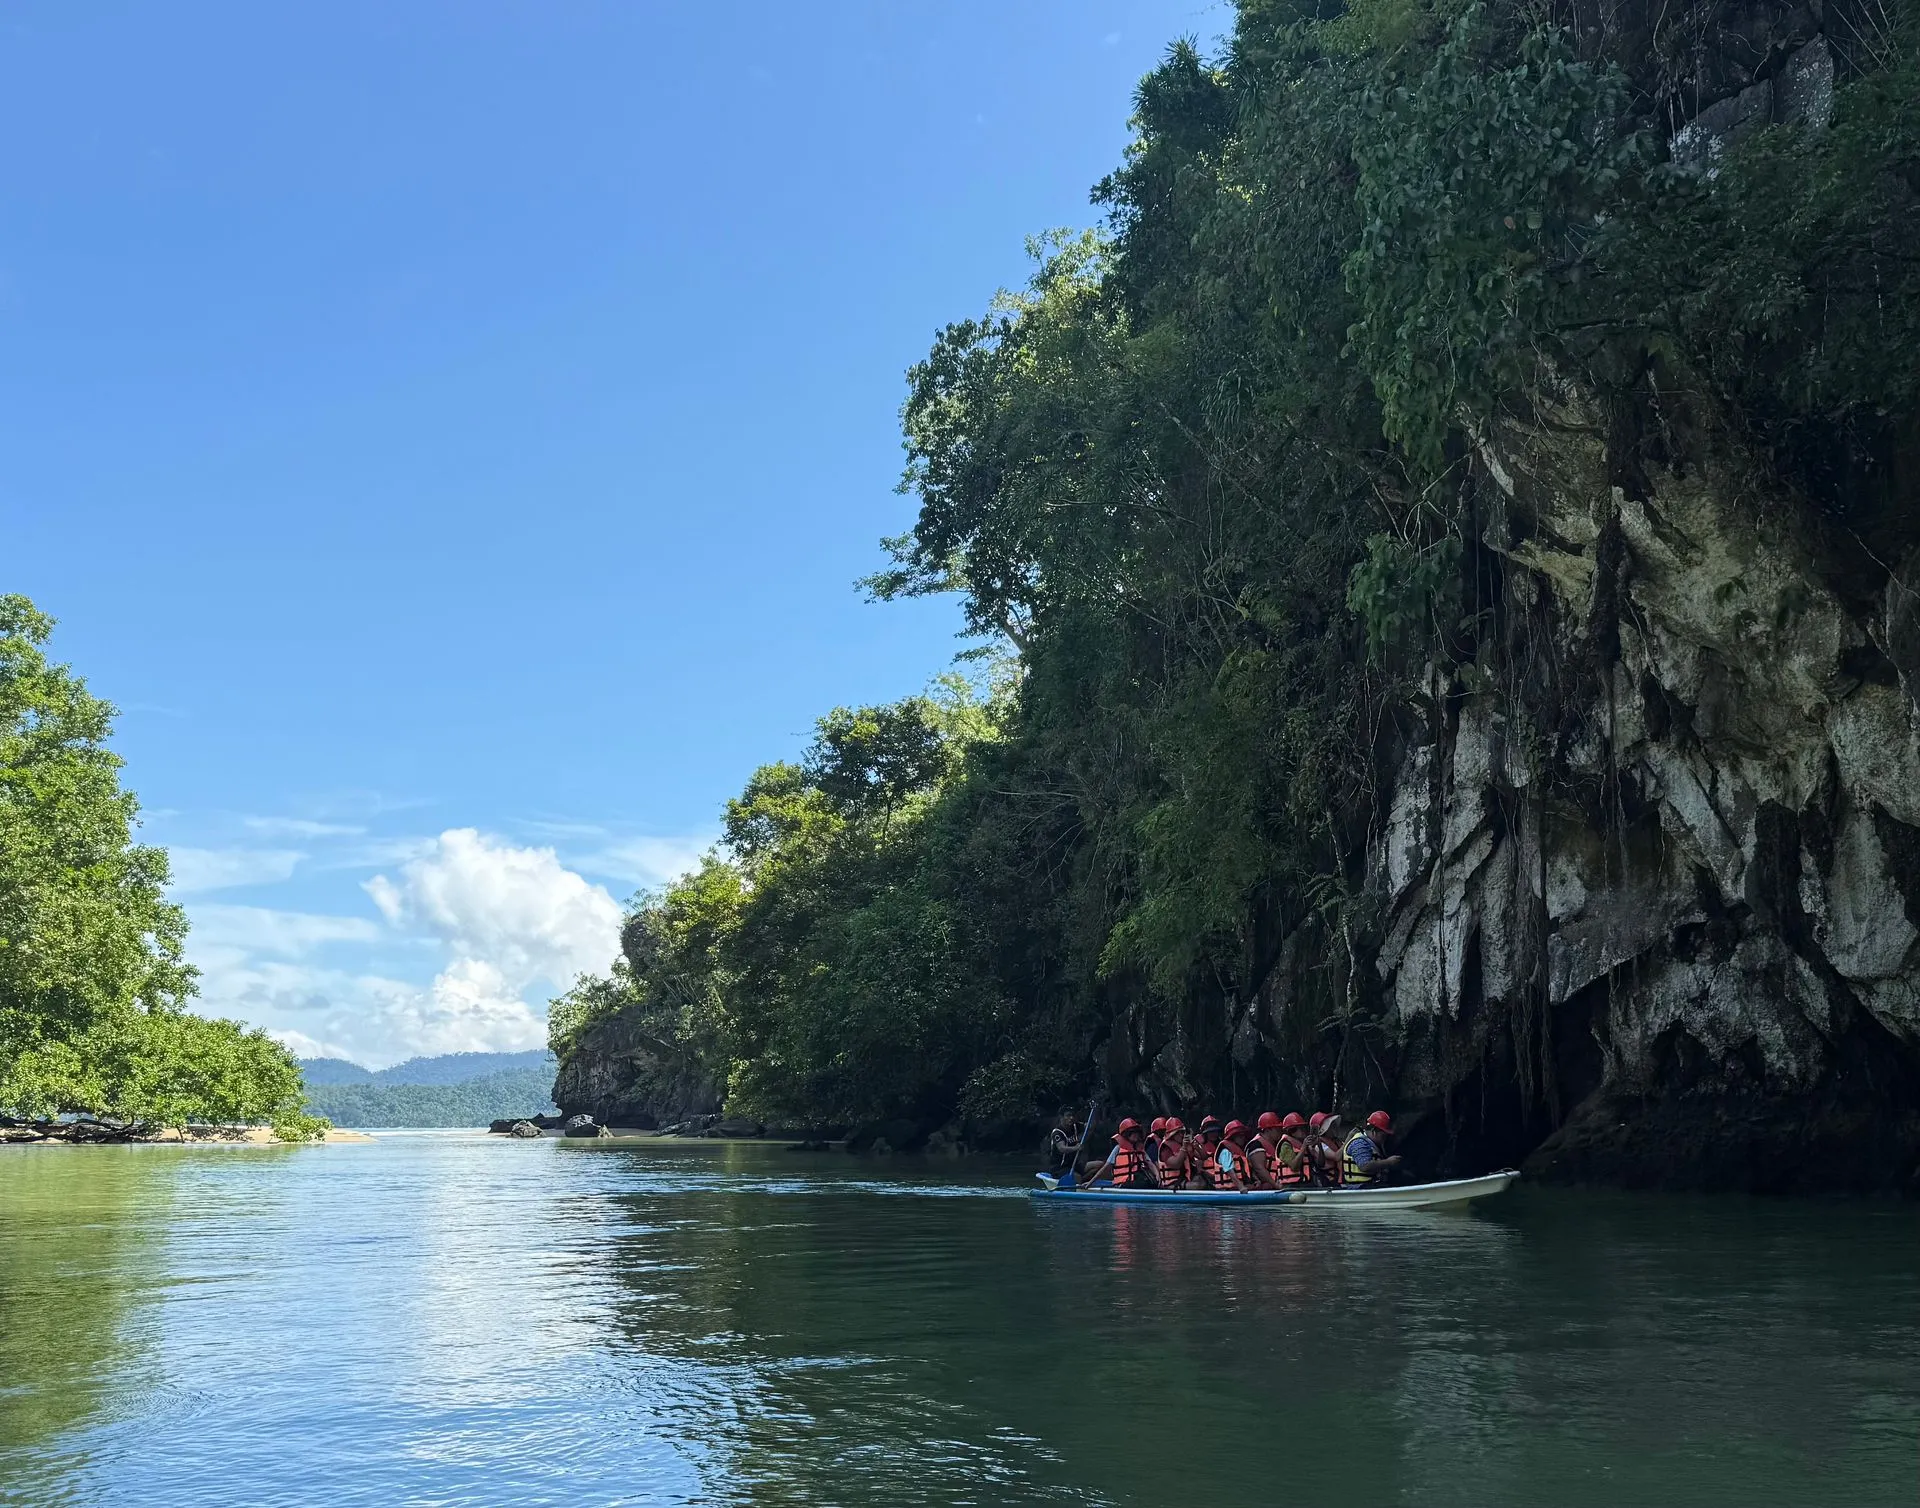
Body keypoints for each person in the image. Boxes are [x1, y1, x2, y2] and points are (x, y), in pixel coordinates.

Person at [1086, 1117, 1160, 1189]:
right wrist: (1091, 1182)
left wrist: (1157, 1175)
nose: (1136, 1135)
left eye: (1137, 1132)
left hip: (1136, 1181)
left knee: (1151, 1183)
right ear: (1126, 1134)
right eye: (1132, 1133)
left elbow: (1149, 1162)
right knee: (1142, 1183)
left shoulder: (1139, 1149)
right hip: (1122, 1184)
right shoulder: (1118, 1148)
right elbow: (1106, 1167)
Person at [1341, 1111, 1404, 1186]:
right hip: (1359, 1188)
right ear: (1374, 1131)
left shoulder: (1373, 1143)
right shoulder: (1359, 1143)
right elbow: (1365, 1166)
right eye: (1383, 1135)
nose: (1385, 1138)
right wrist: (1388, 1162)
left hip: (1371, 1185)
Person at [1267, 1111, 1314, 1188]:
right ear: (1291, 1131)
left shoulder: (1302, 1143)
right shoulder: (1285, 1145)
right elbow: (1294, 1166)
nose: (1302, 1131)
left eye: (1302, 1127)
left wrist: (1318, 1146)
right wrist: (1304, 1147)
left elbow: (1320, 1163)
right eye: (1298, 1128)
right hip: (1291, 1186)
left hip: (1305, 1183)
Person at [1212, 1119, 1252, 1191]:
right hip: (1227, 1190)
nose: (1243, 1138)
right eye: (1240, 1136)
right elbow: (1229, 1170)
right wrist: (1241, 1186)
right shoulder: (1225, 1151)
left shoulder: (1238, 1151)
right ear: (1232, 1137)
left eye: (1243, 1136)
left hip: (1236, 1188)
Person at [1307, 1112, 1344, 1187]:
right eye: (1331, 1126)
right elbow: (1336, 1157)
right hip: (1328, 1182)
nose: (1334, 1128)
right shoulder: (1318, 1145)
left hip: (1339, 1179)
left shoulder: (1337, 1142)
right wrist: (1348, 1140)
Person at [1189, 1115, 1226, 1188]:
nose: (1214, 1134)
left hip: (1223, 1179)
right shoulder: (1197, 1145)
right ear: (1205, 1133)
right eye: (1211, 1132)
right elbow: (1199, 1169)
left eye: (1215, 1131)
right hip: (1207, 1180)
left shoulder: (1222, 1145)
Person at [1156, 1117, 1191, 1188]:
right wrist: (1184, 1148)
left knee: (1201, 1179)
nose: (1182, 1135)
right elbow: (1176, 1164)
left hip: (1183, 1180)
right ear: (1173, 1134)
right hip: (1171, 1185)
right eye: (1179, 1133)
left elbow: (1201, 1157)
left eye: (1183, 1132)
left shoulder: (1182, 1144)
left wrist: (1193, 1147)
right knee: (1198, 1185)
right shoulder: (1165, 1148)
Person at [1048, 1108, 1083, 1173]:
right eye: (1068, 1115)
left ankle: (1085, 1180)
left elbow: (1090, 1126)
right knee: (1077, 1177)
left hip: (1073, 1165)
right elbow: (1062, 1148)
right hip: (1059, 1167)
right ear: (1061, 1117)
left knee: (1098, 1164)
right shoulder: (1057, 1132)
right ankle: (1081, 1180)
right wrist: (1076, 1148)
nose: (1071, 1118)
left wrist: (1095, 1110)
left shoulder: (1076, 1126)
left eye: (1072, 1115)